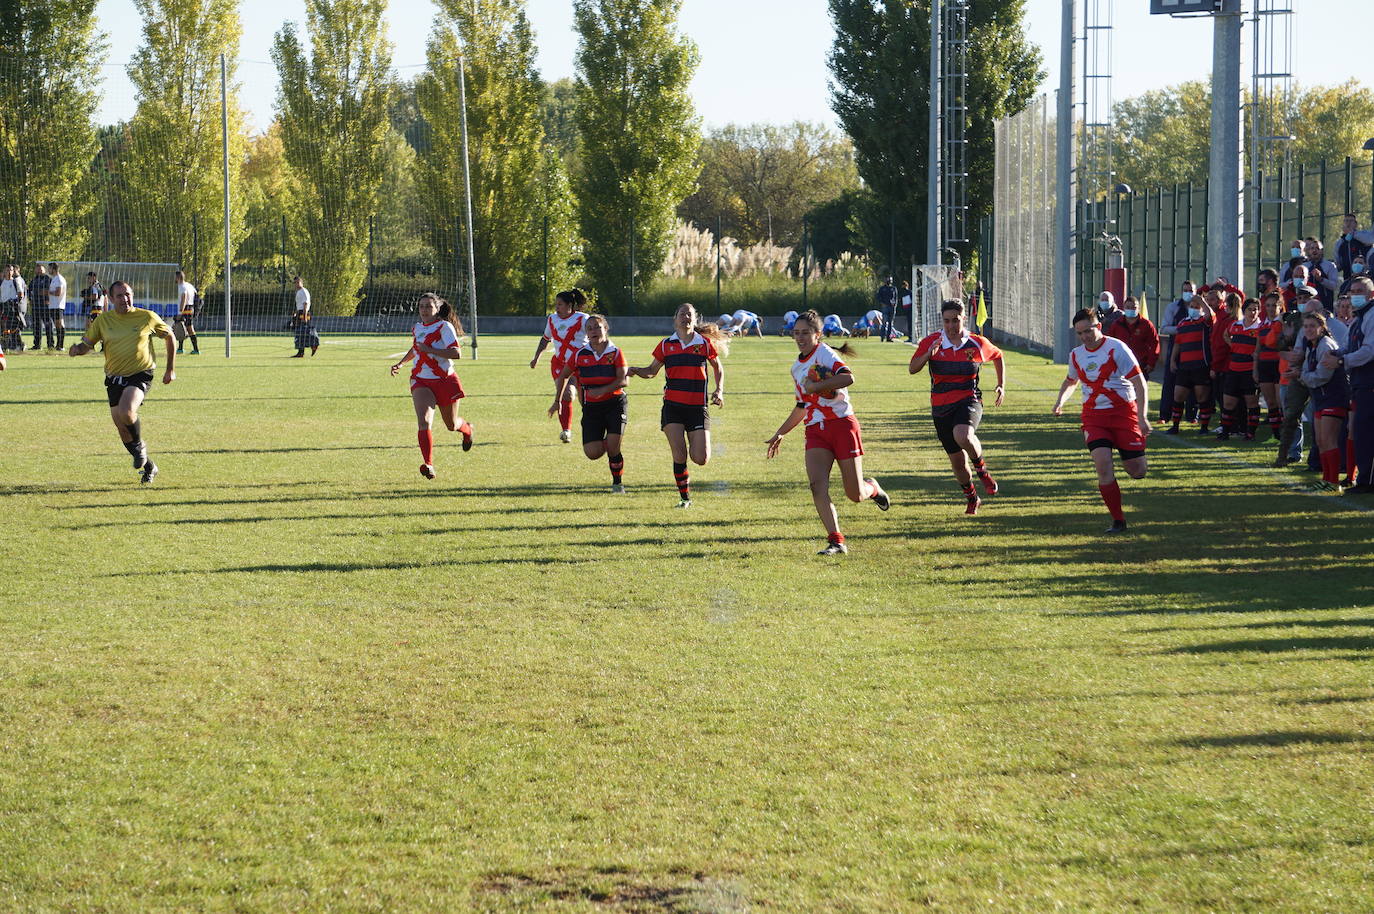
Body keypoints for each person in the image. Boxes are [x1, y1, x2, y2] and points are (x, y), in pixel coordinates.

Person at [765, 309, 890, 555]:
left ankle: (873, 488)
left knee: (855, 494)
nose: (800, 338)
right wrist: (781, 432)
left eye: (805, 333)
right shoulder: (796, 368)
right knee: (816, 486)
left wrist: (818, 386)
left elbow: (848, 378)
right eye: (796, 333)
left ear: (818, 334)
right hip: (815, 429)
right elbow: (802, 406)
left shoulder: (824, 353)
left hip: (842, 425)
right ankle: (836, 540)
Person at [66, 279, 175, 484]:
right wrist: (76, 350)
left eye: (128, 294)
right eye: (120, 296)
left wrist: (170, 369)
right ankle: (150, 466)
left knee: (127, 411)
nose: (125, 299)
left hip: (140, 374)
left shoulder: (146, 316)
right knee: (123, 430)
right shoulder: (103, 320)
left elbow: (170, 337)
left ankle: (140, 447)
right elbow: (86, 345)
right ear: (110, 298)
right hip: (114, 379)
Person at [1053, 308, 1151, 533]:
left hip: (1124, 414)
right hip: (1094, 417)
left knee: (1137, 471)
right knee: (1103, 465)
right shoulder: (1076, 355)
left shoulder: (1117, 348)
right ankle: (1118, 521)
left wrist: (1142, 417)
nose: (1085, 337)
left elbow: (1139, 383)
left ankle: (1127, 448)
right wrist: (1060, 402)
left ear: (1099, 326)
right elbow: (1071, 381)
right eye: (1080, 333)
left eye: (1088, 331)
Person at [626, 302, 726, 508]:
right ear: (675, 319)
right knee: (679, 455)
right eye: (682, 314)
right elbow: (652, 371)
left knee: (700, 458)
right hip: (673, 407)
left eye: (689, 314)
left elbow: (718, 368)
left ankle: (694, 444)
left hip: (697, 408)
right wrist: (635, 370)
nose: (686, 317)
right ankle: (684, 498)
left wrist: (719, 390)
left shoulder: (704, 343)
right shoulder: (665, 345)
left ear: (694, 319)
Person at [909, 299, 1005, 515]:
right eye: (947, 321)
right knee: (958, 462)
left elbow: (998, 355)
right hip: (940, 407)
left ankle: (983, 472)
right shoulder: (932, 341)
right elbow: (912, 368)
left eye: (955, 320)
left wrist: (1001, 385)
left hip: (969, 399)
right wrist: (928, 354)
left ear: (964, 319)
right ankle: (972, 498)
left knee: (963, 435)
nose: (951, 326)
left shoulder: (976, 343)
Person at [389, 293, 473, 480]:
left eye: (428, 306)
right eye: (421, 306)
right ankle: (429, 464)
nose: (424, 310)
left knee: (451, 425)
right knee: (424, 422)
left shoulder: (444, 327)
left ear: (437, 309)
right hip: (421, 380)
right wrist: (401, 363)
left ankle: (467, 429)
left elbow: (456, 353)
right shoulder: (417, 327)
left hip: (445, 379)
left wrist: (430, 350)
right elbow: (416, 348)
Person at [550, 314, 628, 492]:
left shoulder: (615, 352)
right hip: (591, 407)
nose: (594, 331)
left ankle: (617, 483)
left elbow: (623, 380)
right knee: (592, 453)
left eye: (597, 327)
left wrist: (602, 390)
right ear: (586, 333)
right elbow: (563, 375)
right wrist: (557, 401)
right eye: (589, 328)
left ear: (605, 329)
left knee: (614, 448)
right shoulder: (580, 354)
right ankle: (610, 440)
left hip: (615, 403)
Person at [1327, 275, 1374, 493]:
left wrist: (1341, 360)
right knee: (1358, 430)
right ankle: (1363, 478)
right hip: (1359, 382)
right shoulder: (1359, 318)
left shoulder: (1371, 316)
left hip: (1369, 382)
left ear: (1371, 294)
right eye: (1352, 291)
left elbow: (1369, 351)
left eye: (1359, 291)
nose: (1355, 295)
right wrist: (1335, 353)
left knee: (1365, 431)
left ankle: (1366, 480)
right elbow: (1348, 345)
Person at [530, 288, 590, 443]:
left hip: (582, 365)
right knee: (566, 394)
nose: (557, 307)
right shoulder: (552, 319)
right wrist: (536, 357)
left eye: (560, 304)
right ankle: (566, 430)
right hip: (560, 364)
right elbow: (545, 339)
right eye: (556, 304)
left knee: (585, 400)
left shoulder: (583, 319)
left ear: (570, 305)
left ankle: (593, 427)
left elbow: (596, 337)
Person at [1299, 311, 1349, 490]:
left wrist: (1303, 377)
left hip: (1333, 396)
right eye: (1306, 326)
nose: (1309, 329)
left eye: (1313, 326)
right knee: (1320, 441)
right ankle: (1326, 480)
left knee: (1329, 440)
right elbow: (1306, 370)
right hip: (1320, 397)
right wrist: (1304, 375)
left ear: (1322, 328)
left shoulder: (1325, 344)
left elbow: (1321, 376)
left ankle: (1333, 482)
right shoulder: (1311, 345)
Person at [1165, 290, 1214, 434]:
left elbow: (1210, 315)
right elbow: (1178, 343)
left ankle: (1204, 427)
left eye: (1197, 306)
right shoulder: (1183, 323)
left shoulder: (1204, 322)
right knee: (1178, 395)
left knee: (1201, 396)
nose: (1194, 309)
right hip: (1184, 366)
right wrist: (1173, 360)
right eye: (1192, 306)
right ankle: (1175, 426)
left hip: (1200, 365)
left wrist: (1202, 301)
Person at [1217, 298, 1262, 440]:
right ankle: (1225, 433)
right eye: (1250, 309)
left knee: (1251, 403)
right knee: (1228, 403)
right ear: (1244, 310)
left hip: (1250, 370)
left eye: (1255, 309)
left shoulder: (1260, 327)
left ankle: (1250, 434)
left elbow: (1261, 348)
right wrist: (1235, 347)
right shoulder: (1235, 325)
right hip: (1233, 369)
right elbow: (1225, 335)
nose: (1252, 312)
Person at [1157, 280, 1196, 422]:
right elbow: (1164, 328)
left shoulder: (1200, 308)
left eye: (1191, 290)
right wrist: (1182, 329)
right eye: (1185, 290)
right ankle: (1165, 415)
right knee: (1170, 382)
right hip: (1175, 348)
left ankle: (1192, 416)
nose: (1188, 293)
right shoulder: (1173, 307)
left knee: (1193, 383)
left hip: (1194, 350)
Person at [1254, 292, 1286, 440]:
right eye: (1268, 305)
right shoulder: (1262, 325)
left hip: (1279, 365)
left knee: (1281, 401)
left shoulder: (1284, 324)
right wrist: (1255, 369)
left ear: (1280, 306)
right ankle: (1276, 434)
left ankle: (1286, 433)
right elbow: (1257, 349)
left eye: (1274, 305)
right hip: (1264, 365)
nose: (1271, 308)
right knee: (1270, 402)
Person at [1107, 294, 1158, 380]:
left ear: (1138, 309)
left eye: (1134, 307)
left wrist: (1151, 363)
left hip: (1141, 364)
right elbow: (1109, 343)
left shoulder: (1146, 325)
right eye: (1128, 307)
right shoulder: (1117, 324)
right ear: (1124, 308)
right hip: (1120, 364)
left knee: (1139, 387)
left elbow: (1154, 344)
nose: (1131, 309)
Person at [33, 261, 66, 352]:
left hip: (58, 306)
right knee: (57, 325)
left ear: (53, 269)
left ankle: (60, 345)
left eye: (49, 268)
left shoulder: (59, 279)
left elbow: (58, 293)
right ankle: (58, 345)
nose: (48, 270)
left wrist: (47, 292)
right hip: (53, 306)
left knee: (60, 325)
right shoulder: (54, 278)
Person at [0, 264, 26, 353]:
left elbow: (21, 294)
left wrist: (16, 302)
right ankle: (5, 345)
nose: (9, 272)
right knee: (4, 326)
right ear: (4, 272)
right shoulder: (2, 282)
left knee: (14, 326)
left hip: (13, 307)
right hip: (3, 307)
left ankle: (18, 344)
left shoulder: (15, 281)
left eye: (11, 270)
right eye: (7, 270)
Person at [290, 276, 317, 357]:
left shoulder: (304, 291)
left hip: (304, 313)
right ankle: (301, 352)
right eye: (295, 283)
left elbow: (305, 304)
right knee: (300, 332)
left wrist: (304, 316)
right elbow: (299, 305)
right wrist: (296, 313)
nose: (296, 284)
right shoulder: (298, 292)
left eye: (298, 282)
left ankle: (314, 344)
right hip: (300, 313)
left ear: (302, 283)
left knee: (305, 331)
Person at [876, 276, 896, 342]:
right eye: (888, 280)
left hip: (892, 307)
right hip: (885, 307)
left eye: (890, 280)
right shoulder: (882, 288)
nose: (889, 281)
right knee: (884, 323)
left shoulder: (893, 288)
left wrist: (894, 305)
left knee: (890, 323)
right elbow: (878, 297)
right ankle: (882, 337)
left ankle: (888, 338)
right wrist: (882, 303)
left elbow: (896, 298)